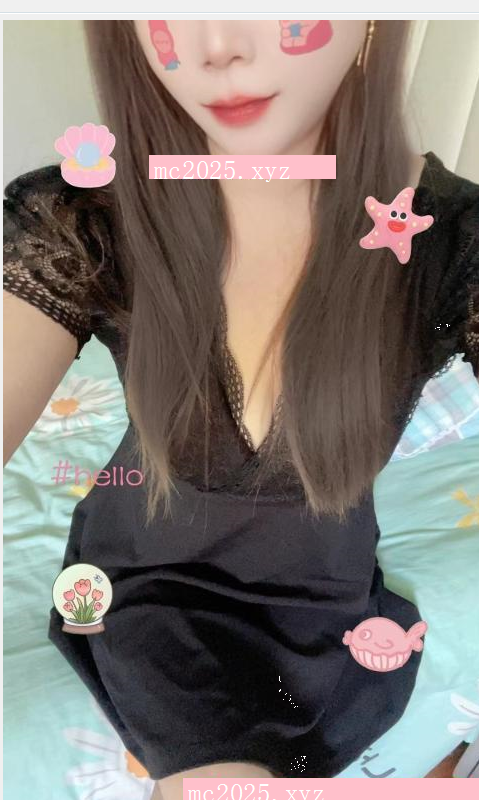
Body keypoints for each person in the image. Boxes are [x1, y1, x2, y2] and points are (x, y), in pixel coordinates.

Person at [3, 19, 479, 797]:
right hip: (150, 576)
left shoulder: (456, 242)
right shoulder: (88, 214)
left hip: (325, 586)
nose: (214, 46)